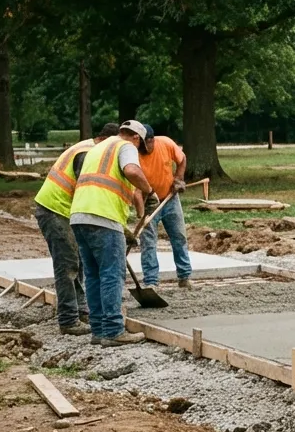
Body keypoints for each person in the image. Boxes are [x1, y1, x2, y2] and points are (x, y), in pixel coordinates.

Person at [70, 120, 156, 347]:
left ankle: (98, 330)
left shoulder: (98, 148)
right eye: (140, 147)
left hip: (79, 215)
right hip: (103, 217)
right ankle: (114, 330)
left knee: (94, 275)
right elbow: (131, 170)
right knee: (111, 274)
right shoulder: (125, 147)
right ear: (136, 138)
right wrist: (150, 190)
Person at [32, 121, 121, 335]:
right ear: (108, 141)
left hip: (66, 211)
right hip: (54, 210)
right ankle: (68, 320)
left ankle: (81, 310)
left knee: (80, 262)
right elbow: (90, 192)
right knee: (68, 265)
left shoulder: (89, 149)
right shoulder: (86, 154)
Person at [135, 125, 192, 290]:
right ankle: (151, 281)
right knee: (148, 242)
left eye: (145, 145)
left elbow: (182, 159)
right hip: (148, 203)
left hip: (170, 198)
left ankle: (184, 277)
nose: (142, 149)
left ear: (152, 140)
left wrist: (179, 178)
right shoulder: (134, 154)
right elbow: (135, 191)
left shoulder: (165, 143)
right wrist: (141, 214)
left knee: (179, 237)